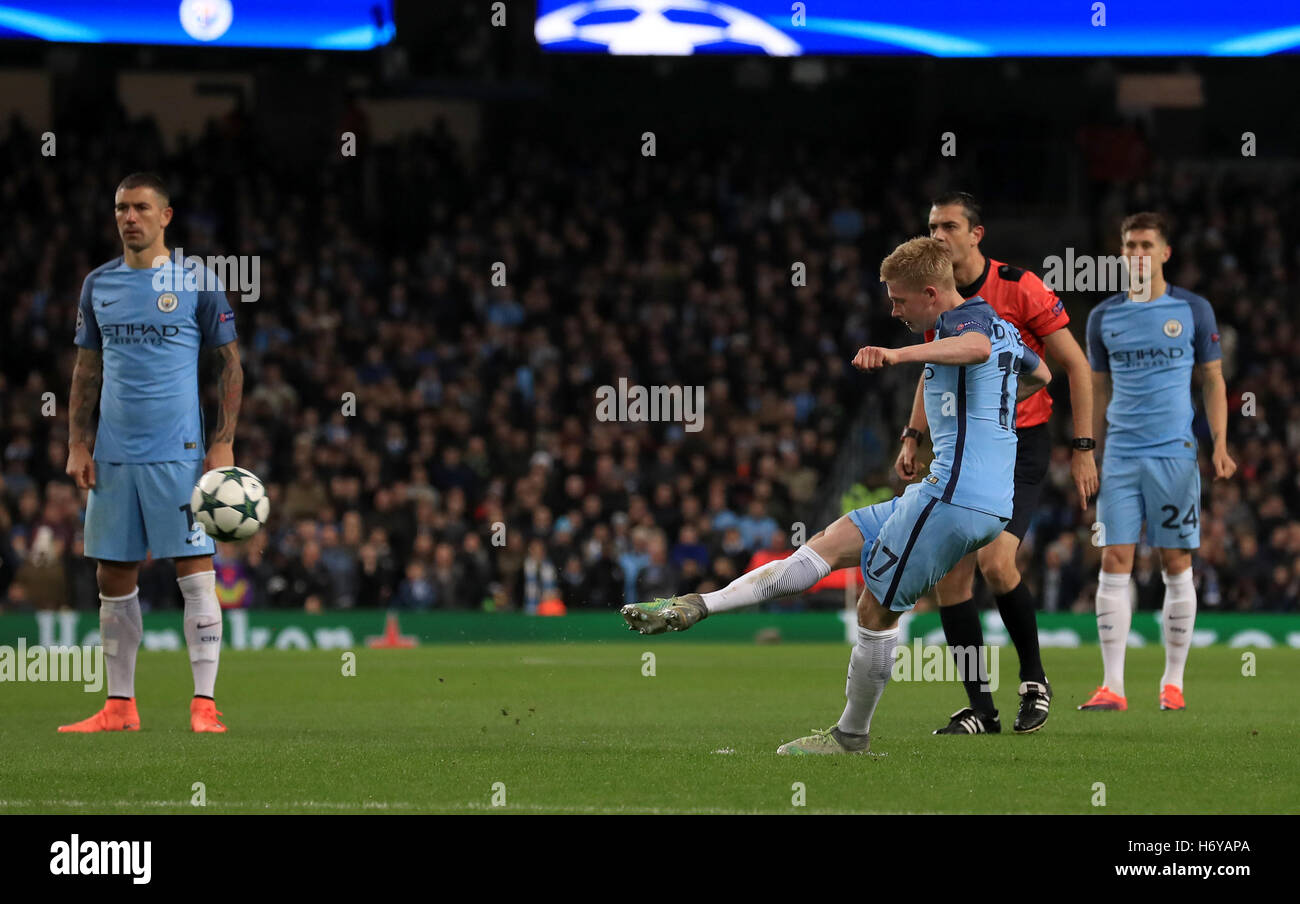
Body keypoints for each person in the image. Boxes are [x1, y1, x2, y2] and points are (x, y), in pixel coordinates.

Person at [622, 237, 1049, 753]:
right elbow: (1041, 375)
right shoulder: (1001, 328)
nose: (893, 309)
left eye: (899, 300)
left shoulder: (966, 326)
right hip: (967, 497)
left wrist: (897, 355)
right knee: (829, 542)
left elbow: (977, 349)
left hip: (953, 498)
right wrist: (987, 411)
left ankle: (850, 737)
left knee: (875, 611)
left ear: (932, 294)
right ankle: (698, 605)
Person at [896, 192, 1097, 735]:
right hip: (964, 448)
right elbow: (934, 368)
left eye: (948, 226)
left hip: (1021, 444)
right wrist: (913, 434)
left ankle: (1034, 681)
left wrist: (1082, 448)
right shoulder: (938, 298)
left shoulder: (1019, 286)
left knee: (996, 564)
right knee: (951, 581)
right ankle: (981, 708)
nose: (938, 235)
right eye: (932, 225)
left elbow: (1075, 366)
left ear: (975, 234)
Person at [59, 172, 242, 734]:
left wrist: (222, 441)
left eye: (140, 207)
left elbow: (229, 365)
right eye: (120, 208)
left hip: (180, 454)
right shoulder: (98, 285)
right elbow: (87, 370)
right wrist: (77, 442)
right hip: (114, 455)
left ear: (166, 216)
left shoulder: (197, 281)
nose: (128, 217)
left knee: (195, 573)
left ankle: (204, 705)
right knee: (113, 577)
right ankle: (119, 707)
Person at [1080, 211, 1235, 712]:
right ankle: (1112, 686)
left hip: (1175, 452)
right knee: (1113, 560)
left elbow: (1212, 379)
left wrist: (1220, 444)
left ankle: (1173, 682)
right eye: (1129, 246)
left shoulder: (1193, 310)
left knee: (1176, 562)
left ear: (1165, 252)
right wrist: (1089, 451)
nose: (1137, 254)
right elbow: (1097, 389)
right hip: (1121, 454)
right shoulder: (1103, 317)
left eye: (1146, 244)